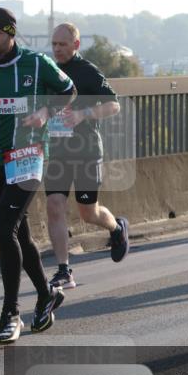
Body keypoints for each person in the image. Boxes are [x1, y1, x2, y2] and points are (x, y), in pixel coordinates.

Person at [0, 8, 75, 345]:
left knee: (3, 229)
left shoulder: (36, 64)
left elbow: (68, 90)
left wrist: (45, 111)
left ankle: (11, 314)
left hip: (28, 156)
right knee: (19, 233)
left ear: (11, 34)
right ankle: (46, 294)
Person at [45, 23, 129, 292]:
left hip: (86, 151)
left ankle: (116, 228)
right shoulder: (47, 69)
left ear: (76, 45)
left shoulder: (88, 72)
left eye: (63, 45)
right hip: (57, 151)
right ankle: (63, 270)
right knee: (54, 205)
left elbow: (113, 104)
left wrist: (84, 114)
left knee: (88, 212)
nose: (57, 49)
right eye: (54, 44)